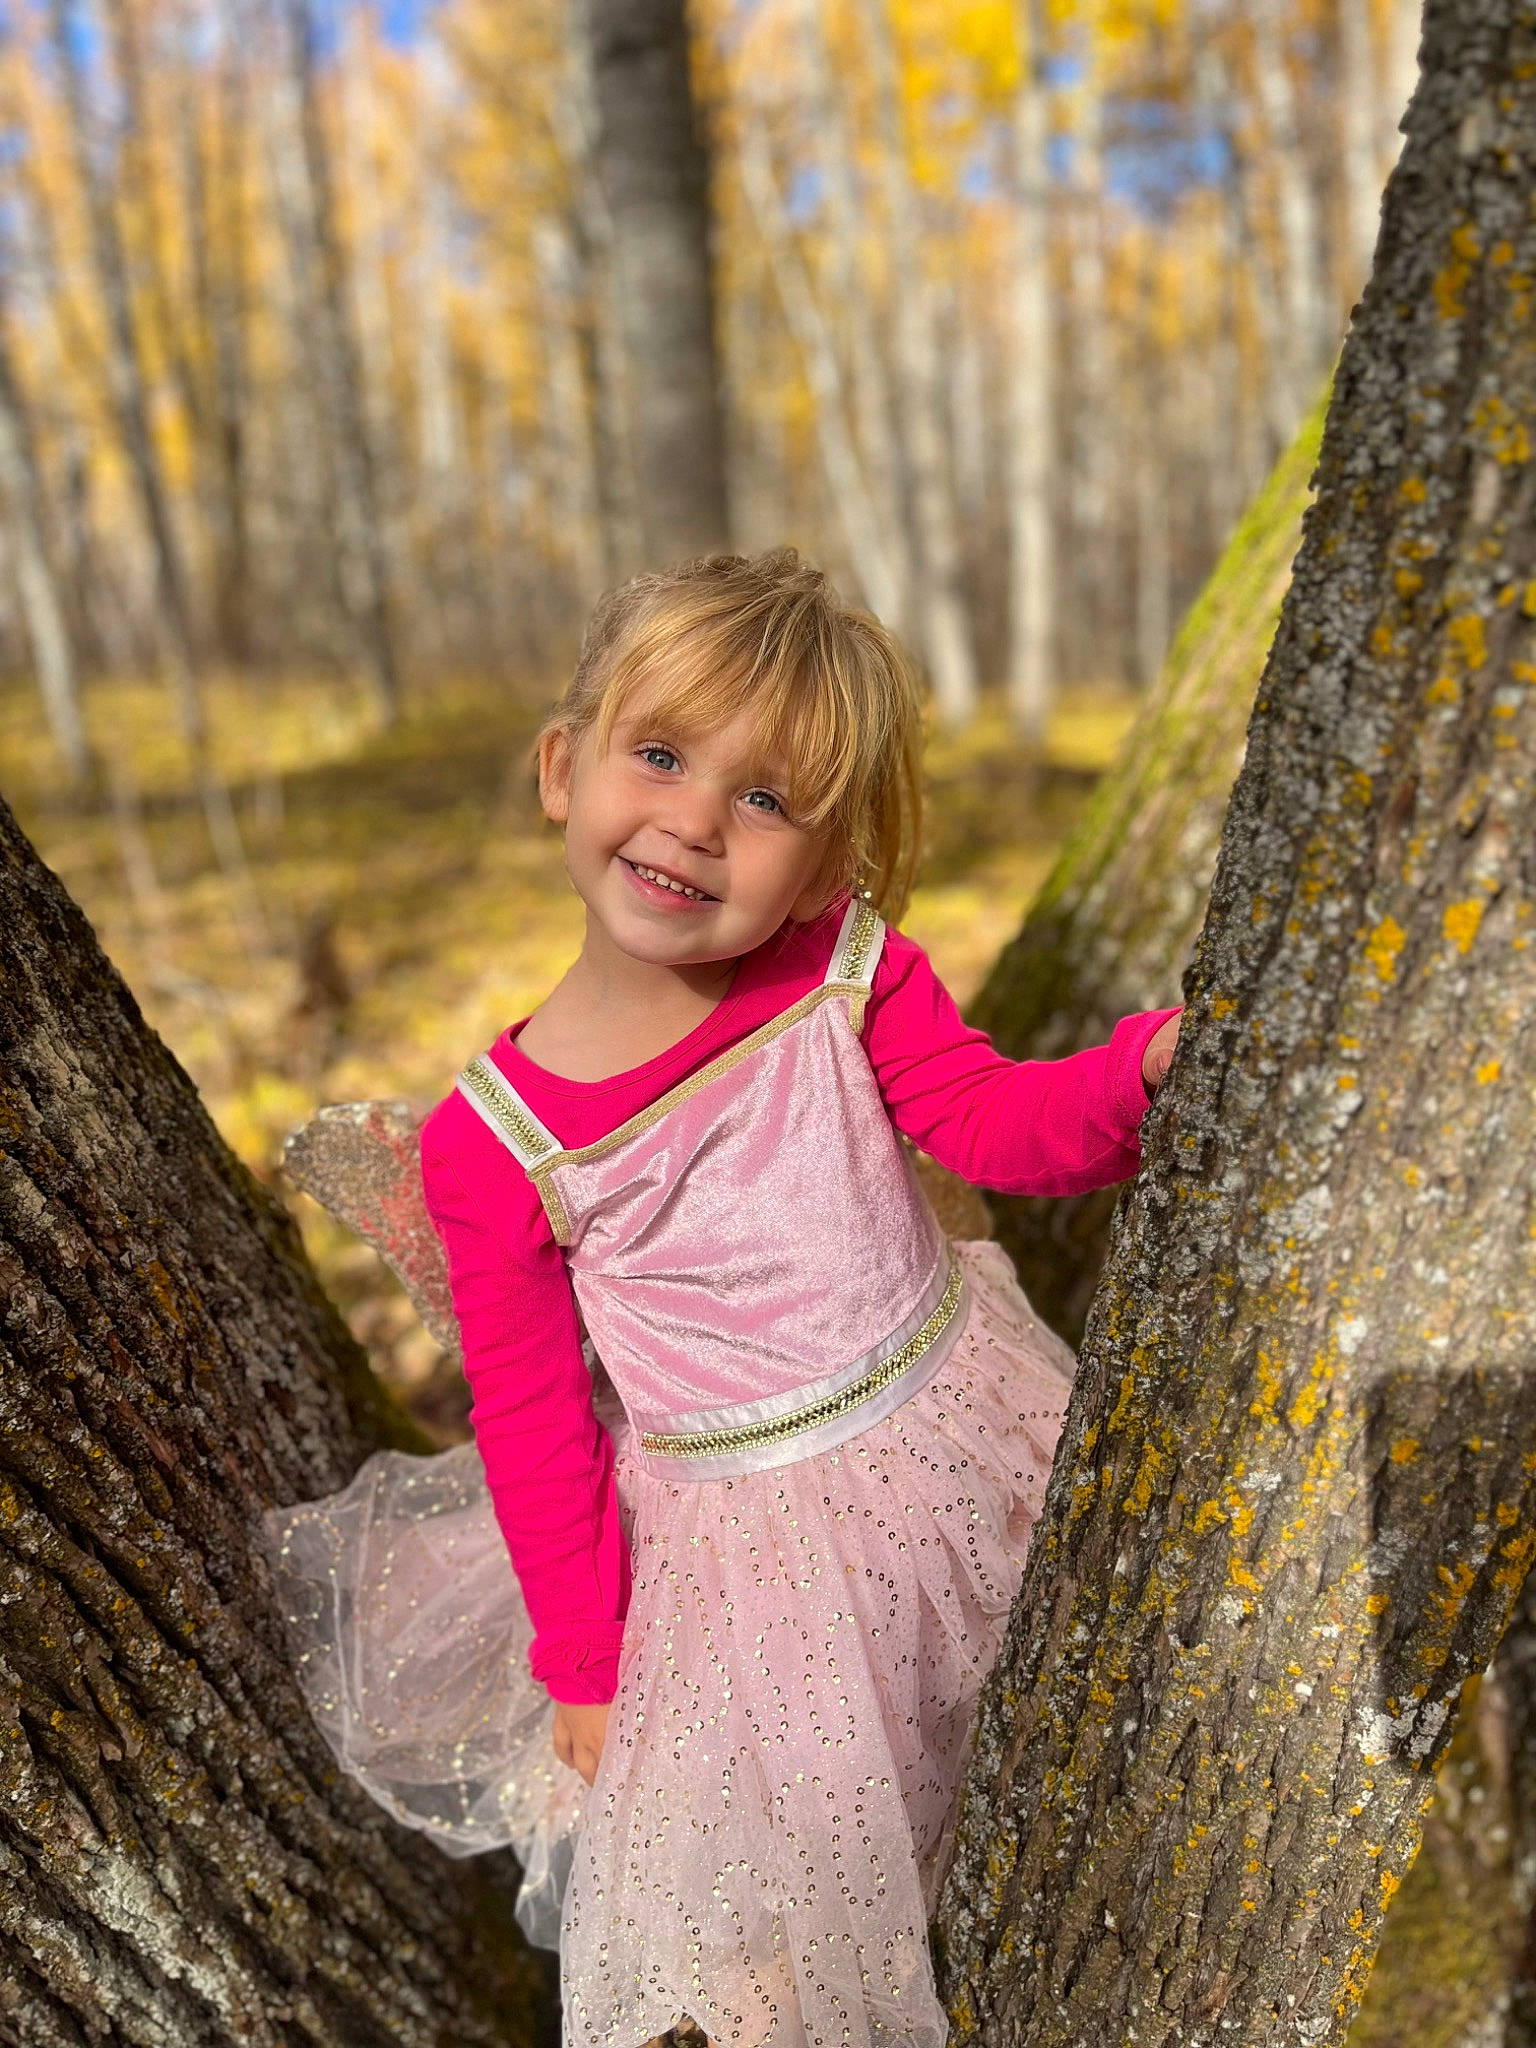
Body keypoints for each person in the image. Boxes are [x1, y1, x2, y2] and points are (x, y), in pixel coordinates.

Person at [264, 547, 1182, 2048]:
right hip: (750, 1580)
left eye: (766, 801)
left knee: (1046, 1765)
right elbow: (536, 1420)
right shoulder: (493, 1147)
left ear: (823, 868)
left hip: (960, 1437)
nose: (695, 820)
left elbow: (996, 1125)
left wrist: (1138, 1074)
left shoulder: (845, 982)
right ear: (565, 768)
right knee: (771, 1947)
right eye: (662, 755)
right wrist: (585, 1666)